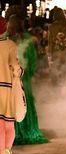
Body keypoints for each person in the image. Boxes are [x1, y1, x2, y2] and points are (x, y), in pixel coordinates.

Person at [7, 15, 48, 145]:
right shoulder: (28, 39)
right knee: (25, 102)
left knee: (10, 104)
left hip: (8, 76)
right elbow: (32, 60)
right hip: (23, 76)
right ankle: (27, 129)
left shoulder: (4, 39)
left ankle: (12, 132)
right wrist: (30, 72)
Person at [0, 16, 21, 154]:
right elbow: (17, 69)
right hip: (7, 88)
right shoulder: (10, 45)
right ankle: (7, 152)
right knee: (8, 123)